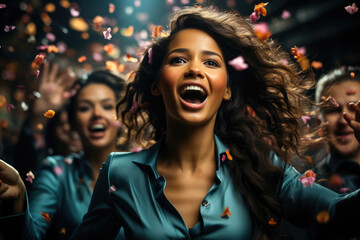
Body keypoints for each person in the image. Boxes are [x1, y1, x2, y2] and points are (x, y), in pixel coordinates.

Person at [70, 7, 360, 240]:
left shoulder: (260, 165)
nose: (195, 69)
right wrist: (20, 210)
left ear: (228, 88)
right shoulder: (119, 173)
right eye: (179, 60)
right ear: (158, 84)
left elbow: (337, 214)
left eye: (211, 62)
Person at [0, 70, 127, 239]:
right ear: (73, 121)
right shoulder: (57, 171)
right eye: (84, 108)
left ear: (122, 115)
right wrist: (18, 201)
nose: (97, 114)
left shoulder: (146, 171)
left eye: (107, 106)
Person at [313, 66, 360, 194]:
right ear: (319, 122)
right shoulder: (308, 187)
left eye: (354, 108)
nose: (344, 120)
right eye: (333, 110)